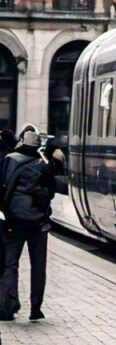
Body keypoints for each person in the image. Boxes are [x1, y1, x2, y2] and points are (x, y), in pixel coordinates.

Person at [0, 128, 56, 322]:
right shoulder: (43, 163)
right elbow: (51, 192)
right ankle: (36, 308)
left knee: (10, 264)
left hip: (14, 221)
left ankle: (8, 306)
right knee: (38, 265)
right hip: (38, 224)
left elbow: (3, 188)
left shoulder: (10, 160)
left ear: (22, 141)